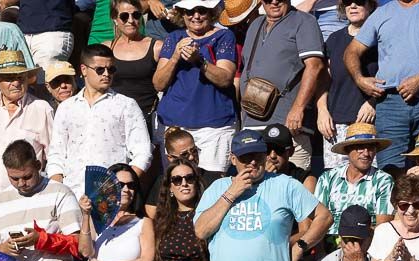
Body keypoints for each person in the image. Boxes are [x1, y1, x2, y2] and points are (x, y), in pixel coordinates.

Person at [194, 129, 332, 261]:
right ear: (232, 159)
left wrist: (300, 247)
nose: (252, 163)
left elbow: (324, 217)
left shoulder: (284, 184)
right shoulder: (217, 188)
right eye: (244, 158)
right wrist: (232, 193)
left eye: (257, 156)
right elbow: (201, 230)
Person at [344, 0, 419, 171]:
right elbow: (351, 51)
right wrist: (359, 79)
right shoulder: (382, 13)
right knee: (389, 171)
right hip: (390, 103)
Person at [47, 44, 150, 197]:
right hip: (71, 194)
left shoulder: (126, 105)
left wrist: (121, 186)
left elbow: (143, 152)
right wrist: (57, 189)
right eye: (100, 69)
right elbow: (57, 153)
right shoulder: (66, 108)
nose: (106, 74)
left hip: (111, 197)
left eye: (111, 69)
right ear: (84, 70)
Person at [237, 0, 324, 170]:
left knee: (293, 185)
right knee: (257, 190)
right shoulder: (255, 24)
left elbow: (315, 66)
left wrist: (298, 108)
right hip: (252, 123)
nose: (274, 1)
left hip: (288, 123)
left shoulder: (304, 21)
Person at [153, 0, 237, 173]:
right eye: (190, 11)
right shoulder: (173, 38)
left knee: (211, 183)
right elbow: (158, 83)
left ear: (212, 12)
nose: (196, 16)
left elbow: (225, 78)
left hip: (213, 128)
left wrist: (199, 61)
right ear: (182, 14)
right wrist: (176, 56)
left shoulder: (224, 36)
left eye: (202, 10)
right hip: (175, 126)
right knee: (177, 181)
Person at [317, 0, 377, 170]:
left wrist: (373, 103)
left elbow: (389, 76)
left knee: (370, 178)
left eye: (358, 2)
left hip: (368, 121)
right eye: (347, 2)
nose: (352, 6)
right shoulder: (334, 39)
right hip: (336, 125)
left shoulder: (381, 38)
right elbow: (323, 81)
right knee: (336, 179)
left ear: (370, 5)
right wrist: (322, 111)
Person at [314, 123, 394, 237]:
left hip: (366, 243)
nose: (366, 153)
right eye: (360, 147)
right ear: (348, 150)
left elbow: (382, 227)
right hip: (329, 242)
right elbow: (318, 220)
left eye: (371, 148)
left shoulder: (383, 181)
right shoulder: (327, 178)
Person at [0, 50, 51, 196]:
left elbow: (54, 154)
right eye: (9, 78)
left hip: (25, 195)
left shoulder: (42, 108)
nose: (16, 83)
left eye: (20, 77)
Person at [143, 127, 226, 215]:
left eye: (194, 151)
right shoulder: (162, 181)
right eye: (184, 154)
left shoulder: (214, 179)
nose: (191, 157)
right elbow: (151, 213)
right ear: (170, 158)